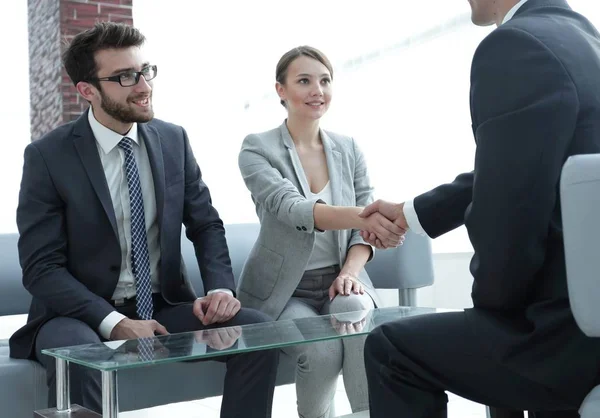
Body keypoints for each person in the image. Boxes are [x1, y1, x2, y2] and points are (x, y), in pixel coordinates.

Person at [9, 22, 278, 417]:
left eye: (145, 70)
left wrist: (221, 288)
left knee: (257, 334)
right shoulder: (48, 157)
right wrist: (114, 322)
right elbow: (41, 268)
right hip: (78, 314)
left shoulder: (173, 140)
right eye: (125, 77)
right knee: (78, 357)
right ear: (87, 91)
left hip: (163, 304)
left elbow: (205, 224)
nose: (143, 86)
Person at [360, 0, 600, 417]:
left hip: (567, 340)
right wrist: (414, 213)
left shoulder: (516, 45)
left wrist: (487, 306)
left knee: (390, 350)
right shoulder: (584, 40)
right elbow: (530, 165)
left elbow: (508, 229)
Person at [237, 46, 403, 417]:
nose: (318, 90)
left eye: (325, 80)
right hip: (285, 291)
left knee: (361, 328)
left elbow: (363, 233)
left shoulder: (348, 148)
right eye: (304, 81)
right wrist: (368, 217)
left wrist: (350, 272)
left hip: (342, 279)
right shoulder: (256, 148)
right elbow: (294, 209)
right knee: (321, 350)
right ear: (281, 90)